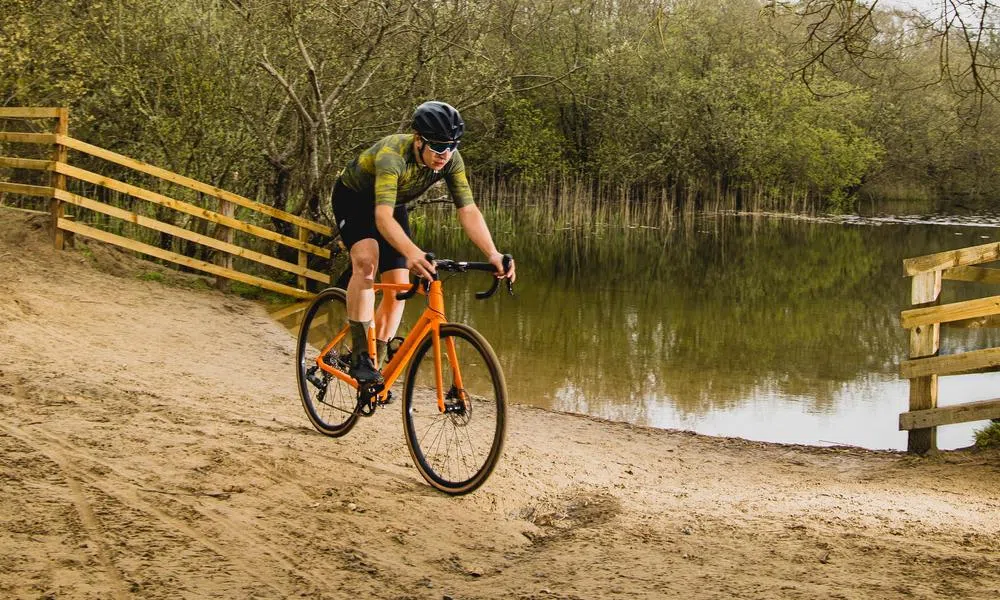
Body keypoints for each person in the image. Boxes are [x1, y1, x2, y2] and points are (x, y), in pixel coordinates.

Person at [331, 100, 516, 385]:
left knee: (399, 288)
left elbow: (467, 210)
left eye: (452, 146)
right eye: (438, 146)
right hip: (355, 200)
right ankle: (359, 357)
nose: (445, 154)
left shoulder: (451, 160)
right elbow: (381, 218)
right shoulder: (393, 155)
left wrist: (492, 253)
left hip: (393, 204)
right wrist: (412, 252)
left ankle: (375, 366)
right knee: (367, 262)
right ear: (419, 140)